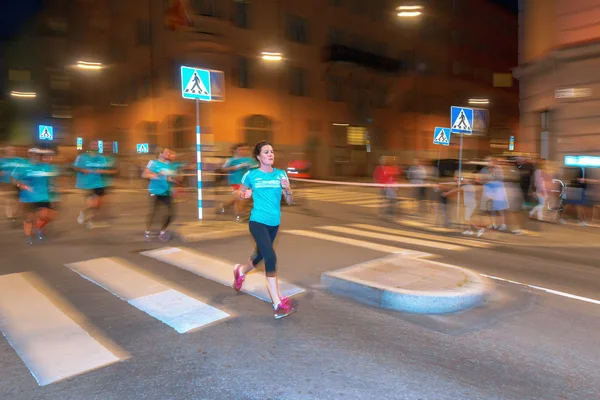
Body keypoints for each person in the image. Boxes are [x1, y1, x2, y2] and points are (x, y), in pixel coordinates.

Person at [232, 141, 297, 319]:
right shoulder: (251, 175)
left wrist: (287, 189)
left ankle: (240, 271)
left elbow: (289, 201)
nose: (270, 154)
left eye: (272, 152)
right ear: (259, 156)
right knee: (270, 256)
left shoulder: (280, 174)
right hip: (257, 221)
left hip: (274, 223)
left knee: (259, 256)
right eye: (266, 152)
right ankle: (277, 303)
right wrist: (244, 195)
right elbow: (240, 193)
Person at [11, 149, 60, 244]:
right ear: (29, 154)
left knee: (45, 215)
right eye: (32, 154)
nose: (35, 156)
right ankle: (29, 236)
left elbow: (52, 178)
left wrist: (54, 191)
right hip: (27, 196)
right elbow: (13, 178)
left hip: (43, 196)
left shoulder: (44, 166)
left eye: (37, 154)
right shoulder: (22, 166)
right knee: (29, 217)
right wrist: (20, 185)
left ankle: (38, 228)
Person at [73, 146, 117, 229]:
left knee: (98, 204)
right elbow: (76, 167)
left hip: (101, 184)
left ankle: (89, 220)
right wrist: (83, 170)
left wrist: (105, 171)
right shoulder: (84, 158)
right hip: (90, 183)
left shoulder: (104, 158)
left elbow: (114, 170)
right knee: (94, 204)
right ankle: (83, 212)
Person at [142, 148, 179, 241]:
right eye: (166, 152)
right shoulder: (153, 162)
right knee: (153, 212)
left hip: (166, 191)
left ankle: (162, 232)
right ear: (160, 153)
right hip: (154, 191)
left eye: (169, 153)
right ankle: (147, 231)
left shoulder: (168, 164)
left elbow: (168, 177)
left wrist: (173, 181)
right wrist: (157, 174)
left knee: (171, 214)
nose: (168, 154)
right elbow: (145, 174)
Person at [220, 143, 257, 221]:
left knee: (242, 198)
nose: (244, 151)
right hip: (236, 181)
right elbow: (223, 169)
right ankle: (240, 214)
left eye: (246, 149)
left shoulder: (250, 160)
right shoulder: (231, 160)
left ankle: (226, 206)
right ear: (236, 150)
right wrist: (236, 167)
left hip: (248, 182)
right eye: (242, 149)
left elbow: (256, 168)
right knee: (241, 197)